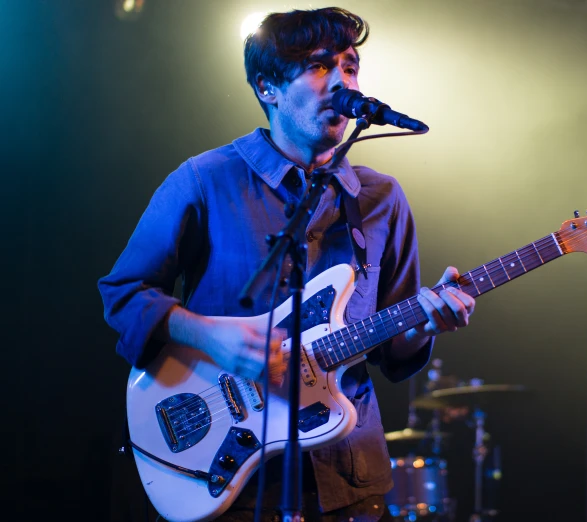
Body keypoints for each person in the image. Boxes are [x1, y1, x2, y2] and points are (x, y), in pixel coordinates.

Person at [98, 7, 476, 522]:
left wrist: (428, 321)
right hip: (237, 478)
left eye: (350, 65)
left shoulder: (381, 198)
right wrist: (211, 337)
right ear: (267, 88)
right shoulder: (206, 180)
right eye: (320, 66)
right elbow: (124, 293)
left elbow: (394, 346)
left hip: (347, 480)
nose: (343, 81)